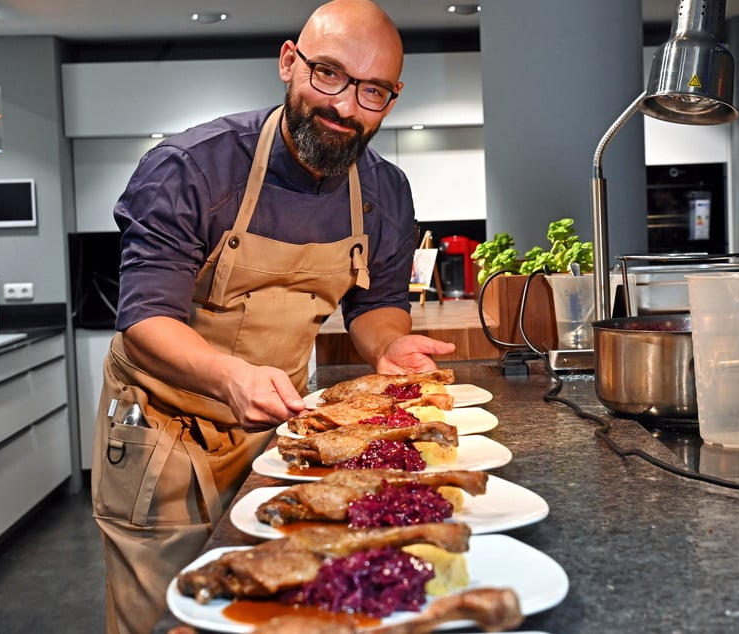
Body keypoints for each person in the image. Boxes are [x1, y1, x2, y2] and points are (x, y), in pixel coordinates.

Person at [90, 1, 455, 631]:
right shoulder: (192, 169)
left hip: (282, 437)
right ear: (290, 63)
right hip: (164, 436)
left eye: (371, 91)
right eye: (329, 75)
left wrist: (389, 347)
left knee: (277, 606)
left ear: (392, 100)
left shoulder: (385, 191)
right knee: (165, 617)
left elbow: (375, 306)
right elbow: (145, 320)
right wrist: (232, 377)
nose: (345, 106)